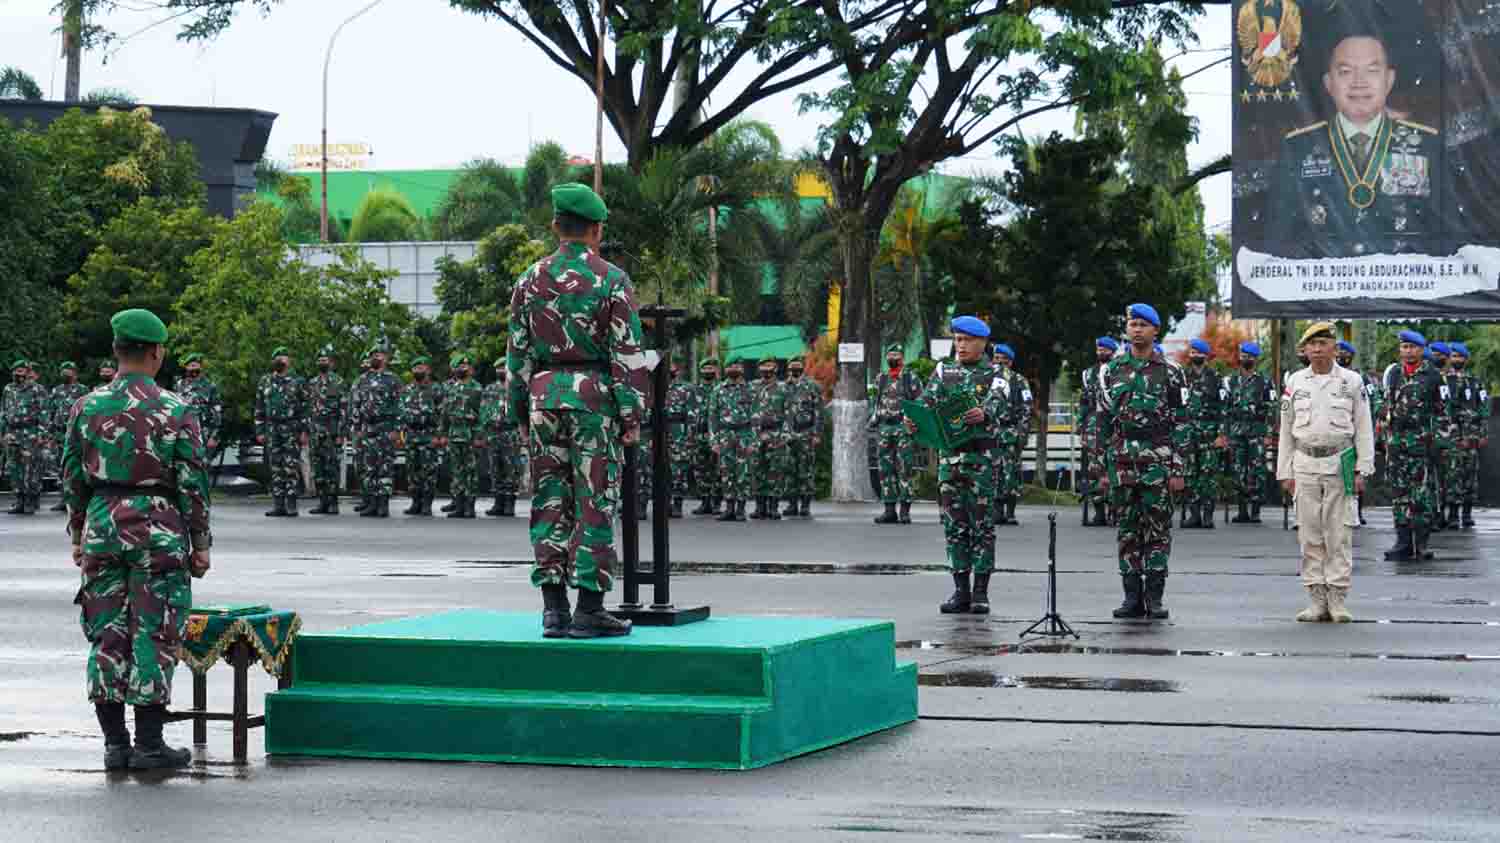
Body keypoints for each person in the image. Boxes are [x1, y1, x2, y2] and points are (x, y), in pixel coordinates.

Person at [62, 308, 211, 770]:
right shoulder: (176, 409)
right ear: (157, 352)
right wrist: (200, 541)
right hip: (158, 528)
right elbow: (192, 481)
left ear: (115, 350)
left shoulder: (85, 407)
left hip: (104, 525)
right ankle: (148, 745)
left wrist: (78, 531)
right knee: (155, 630)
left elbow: (71, 476)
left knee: (107, 633)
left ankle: (114, 745)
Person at [507, 182, 648, 639]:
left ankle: (552, 610)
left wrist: (518, 410)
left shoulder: (528, 280)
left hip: (544, 398)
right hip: (594, 400)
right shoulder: (611, 279)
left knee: (549, 500)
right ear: (597, 229)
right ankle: (589, 608)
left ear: (555, 226)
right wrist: (631, 416)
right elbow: (627, 354)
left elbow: (517, 353)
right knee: (594, 502)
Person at [1270, 29, 1451, 257]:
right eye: (1346, 72)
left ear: (1389, 80)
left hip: (1402, 287)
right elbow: (1277, 237)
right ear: (1329, 83)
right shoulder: (1298, 149)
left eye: (1372, 71)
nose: (1359, 82)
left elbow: (1447, 235)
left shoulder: (1427, 146)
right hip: (1324, 288)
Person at [1277, 322, 1376, 622]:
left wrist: (1363, 468)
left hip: (1339, 462)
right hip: (1305, 464)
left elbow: (1363, 427)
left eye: (1324, 343)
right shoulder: (1295, 381)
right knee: (1309, 536)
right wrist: (1284, 471)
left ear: (1335, 347)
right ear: (1304, 350)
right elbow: (1285, 431)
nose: (1318, 349)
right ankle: (1316, 600)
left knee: (1339, 533)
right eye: (1312, 345)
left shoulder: (1352, 382)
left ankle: (1337, 599)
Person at [1097, 304, 1186, 620]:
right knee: (1127, 530)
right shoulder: (1110, 370)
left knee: (1158, 531)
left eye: (1142, 325)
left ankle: (1155, 598)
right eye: (1132, 324)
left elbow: (1181, 421)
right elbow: (1104, 420)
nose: (1136, 329)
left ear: (1155, 331)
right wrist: (1101, 469)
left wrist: (1178, 468)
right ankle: (1131, 597)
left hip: (1158, 462)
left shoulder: (1171, 372)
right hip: (1122, 463)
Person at [922, 316, 1006, 615]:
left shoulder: (996, 372)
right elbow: (926, 403)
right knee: (954, 525)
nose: (961, 345)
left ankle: (980, 592)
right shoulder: (944, 371)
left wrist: (983, 412)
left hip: (980, 461)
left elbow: (999, 402)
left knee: (981, 526)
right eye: (957, 339)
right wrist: (913, 418)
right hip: (950, 460)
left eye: (967, 340)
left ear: (982, 343)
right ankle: (960, 590)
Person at [1381, 329, 1448, 560]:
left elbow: (1443, 413)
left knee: (1421, 496)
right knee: (1399, 494)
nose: (1408, 352)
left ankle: (1421, 543)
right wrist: (1384, 436)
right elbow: (1385, 405)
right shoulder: (1394, 374)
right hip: (1397, 444)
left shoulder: (1433, 376)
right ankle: (1402, 542)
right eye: (1404, 347)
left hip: (1421, 444)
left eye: (1412, 347)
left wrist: (1439, 444)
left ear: (1421, 350)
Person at [870, 345, 923, 525]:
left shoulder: (910, 378)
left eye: (896, 355)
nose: (893, 357)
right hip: (885, 428)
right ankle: (889, 510)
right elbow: (876, 401)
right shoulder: (881, 378)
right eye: (890, 354)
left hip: (903, 428)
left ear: (903, 358)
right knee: (885, 470)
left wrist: (916, 425)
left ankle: (905, 511)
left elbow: (920, 402)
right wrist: (874, 420)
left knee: (905, 469)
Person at [1225, 342, 1277, 524]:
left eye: (1249, 356)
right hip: (1237, 431)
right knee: (1238, 469)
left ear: (1256, 359)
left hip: (1257, 432)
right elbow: (1225, 408)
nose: (1246, 359)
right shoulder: (1231, 381)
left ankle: (1255, 510)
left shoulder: (1265, 381)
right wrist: (1225, 433)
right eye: (1243, 355)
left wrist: (1270, 433)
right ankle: (1241, 510)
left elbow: (1272, 408)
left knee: (1257, 470)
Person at [254, 347, 309, 518]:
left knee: (290, 466)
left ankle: (291, 504)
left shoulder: (297, 381)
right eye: (277, 357)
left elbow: (305, 408)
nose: (280, 360)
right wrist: (260, 429)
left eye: (283, 357)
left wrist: (304, 431)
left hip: (291, 428)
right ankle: (278, 504)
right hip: (272, 428)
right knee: (276, 467)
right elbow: (259, 407)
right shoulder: (265, 381)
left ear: (289, 361)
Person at [1179, 338, 1226, 529]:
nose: (1195, 356)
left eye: (1199, 353)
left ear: (1205, 356)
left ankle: (1207, 515)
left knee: (1208, 475)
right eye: (1192, 352)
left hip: (1209, 433)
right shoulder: (1183, 377)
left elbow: (1224, 408)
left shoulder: (1215, 377)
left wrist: (1221, 434)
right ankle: (1194, 514)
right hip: (1189, 433)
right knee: (1190, 474)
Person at [1336, 340, 1382, 525]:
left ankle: (1359, 511)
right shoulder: (1332, 376)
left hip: (1357, 430)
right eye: (1338, 352)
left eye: (1343, 353)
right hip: (1339, 431)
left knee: (1357, 471)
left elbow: (1375, 402)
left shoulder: (1361, 378)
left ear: (1351, 356)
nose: (1340, 356)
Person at [354, 346, 402, 518]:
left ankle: (383, 505)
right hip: (368, 428)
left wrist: (397, 429)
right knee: (369, 467)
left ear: (386, 358)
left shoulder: (393, 380)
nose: (376, 357)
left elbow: (399, 405)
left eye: (379, 354)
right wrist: (357, 428)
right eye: (373, 355)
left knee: (385, 467)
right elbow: (356, 405)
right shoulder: (362, 380)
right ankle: (372, 503)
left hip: (386, 428)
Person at [1076, 338, 1117, 527]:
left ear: (1112, 351)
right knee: (1095, 469)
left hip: (1115, 425)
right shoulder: (1088, 374)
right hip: (1094, 426)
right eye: (1099, 348)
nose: (1101, 351)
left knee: (1116, 467)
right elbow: (1084, 402)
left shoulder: (1119, 369)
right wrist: (1081, 427)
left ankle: (1116, 510)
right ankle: (1099, 511)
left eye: (1105, 349)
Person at [989, 344, 1030, 527]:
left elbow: (1027, 407)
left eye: (1002, 359)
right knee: (993, 471)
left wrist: (1022, 432)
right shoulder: (987, 379)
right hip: (992, 432)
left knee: (1011, 471)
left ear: (1010, 362)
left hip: (1011, 432)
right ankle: (996, 510)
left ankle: (1011, 511)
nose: (998, 362)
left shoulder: (1019, 381)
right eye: (996, 358)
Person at [3, 358, 50, 515]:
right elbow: (4, 411)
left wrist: (42, 434)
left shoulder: (37, 390)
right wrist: (3, 432)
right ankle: (19, 499)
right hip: (12, 434)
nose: (18, 373)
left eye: (22, 370)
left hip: (30, 434)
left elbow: (44, 413)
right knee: (14, 468)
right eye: (16, 370)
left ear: (28, 372)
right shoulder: (8, 389)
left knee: (30, 469)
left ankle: (30, 499)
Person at [440, 354, 484, 519]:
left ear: (471, 370)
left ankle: (469, 506)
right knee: (457, 471)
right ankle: (458, 505)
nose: (462, 369)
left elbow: (483, 414)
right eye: (459, 367)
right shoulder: (451, 388)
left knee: (471, 472)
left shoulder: (477, 389)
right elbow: (444, 413)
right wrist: (442, 433)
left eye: (465, 367)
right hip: (454, 434)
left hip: (470, 434)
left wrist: (479, 436)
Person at [304, 348, 347, 516]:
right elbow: (308, 409)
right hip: (315, 431)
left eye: (325, 359)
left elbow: (344, 410)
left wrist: (341, 434)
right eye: (320, 359)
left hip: (331, 431)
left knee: (332, 468)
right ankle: (322, 502)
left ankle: (333, 503)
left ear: (332, 362)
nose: (323, 362)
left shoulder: (338, 382)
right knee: (318, 468)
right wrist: (306, 431)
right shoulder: (312, 383)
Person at [1447, 343, 1485, 528]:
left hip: (1471, 436)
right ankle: (1452, 515)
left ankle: (1467, 514)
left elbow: (1483, 406)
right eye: (1453, 356)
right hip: (1452, 436)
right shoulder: (1445, 381)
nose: (1456, 360)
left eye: (1459, 357)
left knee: (1470, 474)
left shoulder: (1474, 381)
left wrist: (1482, 433)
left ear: (1465, 359)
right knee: (1453, 474)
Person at [712, 359, 755, 523]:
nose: (733, 369)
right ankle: (729, 508)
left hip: (744, 434)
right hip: (725, 434)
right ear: (726, 369)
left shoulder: (750, 390)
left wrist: (753, 441)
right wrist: (714, 440)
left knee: (743, 473)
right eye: (730, 366)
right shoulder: (718, 390)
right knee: (726, 472)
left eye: (737, 366)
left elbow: (756, 416)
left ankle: (740, 509)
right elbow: (713, 416)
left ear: (742, 369)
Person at [481, 358, 523, 517]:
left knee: (511, 469)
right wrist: (483, 432)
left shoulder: (517, 387)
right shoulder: (490, 388)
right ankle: (498, 502)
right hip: (493, 433)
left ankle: (509, 503)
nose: (500, 371)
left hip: (510, 432)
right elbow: (484, 411)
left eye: (503, 367)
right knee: (495, 468)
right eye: (498, 368)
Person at [46, 362, 91, 512]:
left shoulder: (83, 390)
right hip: (59, 433)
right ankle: (63, 498)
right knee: (61, 466)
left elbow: (87, 411)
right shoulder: (56, 390)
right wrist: (49, 434)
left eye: (69, 370)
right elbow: (50, 412)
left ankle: (76, 498)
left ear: (75, 373)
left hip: (75, 434)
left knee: (75, 465)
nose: (65, 373)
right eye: (63, 370)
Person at [749, 357, 789, 521]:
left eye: (769, 366)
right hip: (756, 435)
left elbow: (790, 413)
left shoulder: (783, 389)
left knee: (775, 471)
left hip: (776, 435)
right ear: (759, 369)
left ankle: (773, 507)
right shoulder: (751, 387)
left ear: (775, 368)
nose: (766, 369)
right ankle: (760, 506)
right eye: (763, 366)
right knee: (757, 470)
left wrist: (785, 435)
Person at [782, 357, 822, 518]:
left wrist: (817, 433)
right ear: (788, 368)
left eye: (798, 366)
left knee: (806, 470)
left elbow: (818, 411)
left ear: (803, 367)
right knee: (789, 469)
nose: (795, 369)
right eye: (792, 366)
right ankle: (792, 504)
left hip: (806, 433)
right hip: (788, 434)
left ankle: (805, 505)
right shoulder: (783, 387)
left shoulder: (812, 386)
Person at [663, 362, 697, 519]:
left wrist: (689, 437)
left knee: (678, 469)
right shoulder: (652, 386)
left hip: (679, 430)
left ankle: (677, 503)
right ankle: (665, 502)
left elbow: (693, 415)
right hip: (659, 430)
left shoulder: (687, 389)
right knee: (660, 470)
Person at [691, 358, 723, 516]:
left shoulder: (721, 389)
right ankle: (704, 501)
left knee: (716, 468)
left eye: (712, 368)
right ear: (701, 371)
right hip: (699, 434)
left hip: (716, 434)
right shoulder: (694, 390)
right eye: (706, 368)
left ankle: (716, 502)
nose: (709, 371)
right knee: (700, 468)